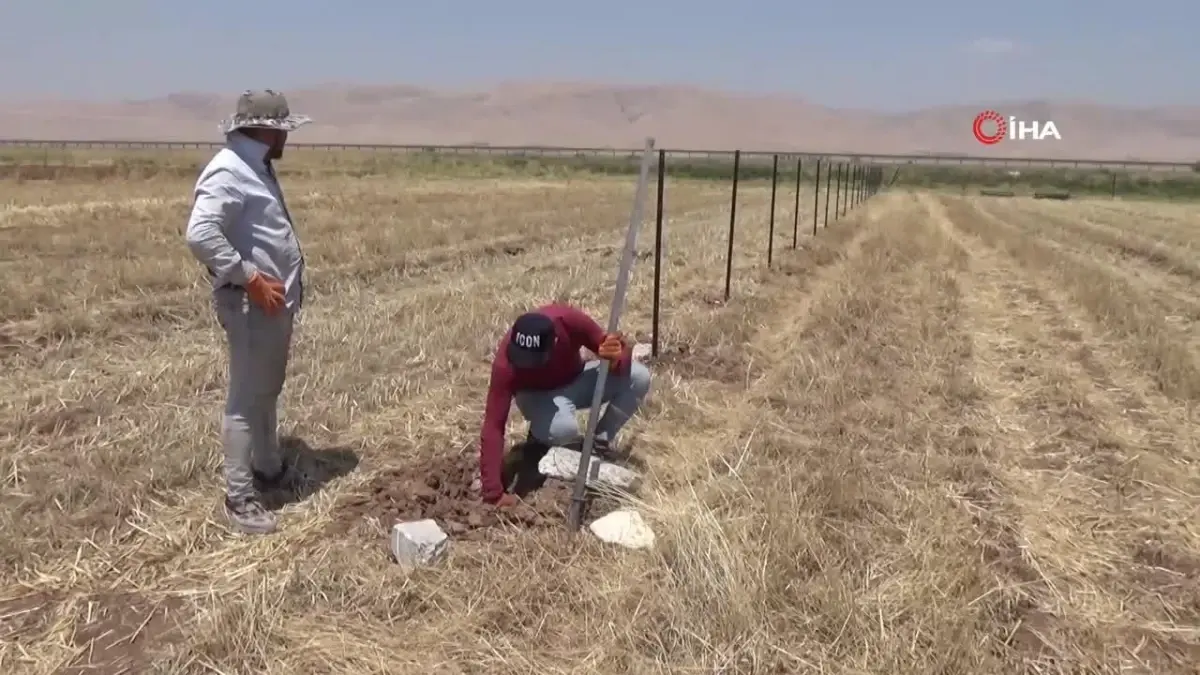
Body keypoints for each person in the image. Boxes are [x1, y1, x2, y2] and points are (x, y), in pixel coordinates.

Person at [184, 90, 312, 534]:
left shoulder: (253, 165)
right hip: (250, 303)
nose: (285, 139)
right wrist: (250, 276)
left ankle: (269, 468)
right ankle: (239, 500)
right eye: (283, 130)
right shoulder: (228, 171)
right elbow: (200, 232)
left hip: (270, 305)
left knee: (266, 390)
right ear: (266, 129)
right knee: (244, 399)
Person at [478, 304, 652, 507]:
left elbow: (611, 348)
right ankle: (538, 443)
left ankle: (598, 444)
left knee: (638, 377)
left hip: (575, 381)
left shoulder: (568, 321)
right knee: (563, 429)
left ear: (555, 341)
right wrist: (493, 492)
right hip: (536, 396)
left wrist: (616, 360)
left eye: (535, 360)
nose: (528, 366)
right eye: (523, 360)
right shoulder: (505, 363)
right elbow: (493, 425)